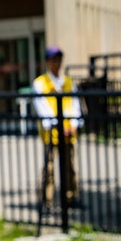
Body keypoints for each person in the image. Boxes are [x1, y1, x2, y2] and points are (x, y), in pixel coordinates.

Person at [33, 45, 83, 206]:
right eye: (53, 59)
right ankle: (46, 201)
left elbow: (75, 104)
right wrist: (58, 125)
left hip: (68, 132)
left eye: (59, 59)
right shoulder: (40, 83)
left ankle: (70, 198)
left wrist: (74, 124)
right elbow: (43, 107)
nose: (57, 63)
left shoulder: (68, 82)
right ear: (47, 62)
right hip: (51, 133)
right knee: (49, 169)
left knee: (70, 166)